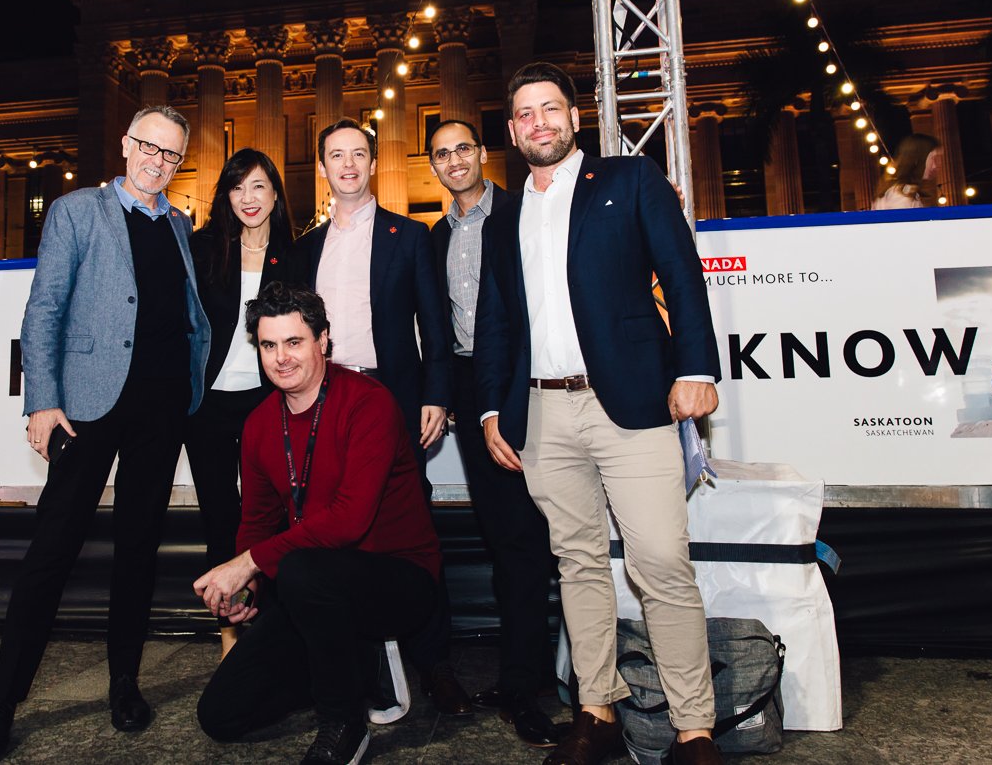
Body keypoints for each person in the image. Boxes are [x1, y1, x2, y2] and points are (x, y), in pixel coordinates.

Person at [474, 62, 724, 765]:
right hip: (543, 413)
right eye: (524, 114)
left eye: (550, 108)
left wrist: (695, 368)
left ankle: (693, 728)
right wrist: (492, 409)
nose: (538, 122)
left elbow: (681, 271)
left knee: (660, 561)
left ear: (574, 117)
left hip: (633, 405)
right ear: (514, 130)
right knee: (576, 563)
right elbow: (497, 319)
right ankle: (597, 712)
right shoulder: (504, 213)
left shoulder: (628, 181)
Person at [0, 105, 211, 762]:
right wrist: (42, 400)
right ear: (127, 144)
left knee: (138, 549)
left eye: (171, 155)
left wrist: (190, 389)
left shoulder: (180, 225)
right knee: (52, 552)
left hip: (160, 409)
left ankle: (124, 683)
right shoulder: (78, 211)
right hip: (87, 407)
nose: (158, 162)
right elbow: (43, 307)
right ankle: (1, 703)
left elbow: (184, 316)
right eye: (149, 148)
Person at [194, 281, 441, 764]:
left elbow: (349, 521)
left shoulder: (368, 402)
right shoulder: (260, 423)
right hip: (313, 589)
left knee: (305, 569)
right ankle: (358, 666)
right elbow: (258, 522)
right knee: (220, 716)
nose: (281, 358)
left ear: (322, 341)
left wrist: (247, 565)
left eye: (294, 342)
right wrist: (248, 592)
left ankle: (344, 724)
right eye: (269, 345)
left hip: (397, 579)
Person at [288, 117, 468, 715]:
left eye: (358, 154)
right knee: (336, 534)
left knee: (411, 533)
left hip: (390, 402)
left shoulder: (408, 236)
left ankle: (435, 663)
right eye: (335, 155)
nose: (347, 165)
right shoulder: (306, 248)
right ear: (322, 167)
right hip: (324, 406)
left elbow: (435, 327)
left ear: (372, 163)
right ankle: (362, 666)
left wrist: (436, 394)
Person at [426, 119, 560, 746]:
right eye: (441, 154)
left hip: (527, 388)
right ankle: (518, 679)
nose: (454, 161)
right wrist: (451, 397)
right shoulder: (434, 237)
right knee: (507, 537)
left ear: (482, 154)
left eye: (462, 149)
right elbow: (441, 326)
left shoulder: (520, 210)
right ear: (433, 166)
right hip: (470, 392)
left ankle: (527, 683)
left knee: (531, 543)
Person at [185, 148, 293, 659]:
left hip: (268, 403)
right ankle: (228, 636)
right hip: (207, 406)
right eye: (237, 187)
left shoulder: (294, 254)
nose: (248, 198)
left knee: (267, 519)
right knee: (220, 519)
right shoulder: (203, 247)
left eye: (258, 186)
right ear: (226, 196)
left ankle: (271, 631)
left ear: (275, 193)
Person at [872, 133, 941, 209]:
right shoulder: (900, 196)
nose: (935, 165)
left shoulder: (907, 192)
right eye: (933, 158)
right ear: (918, 159)